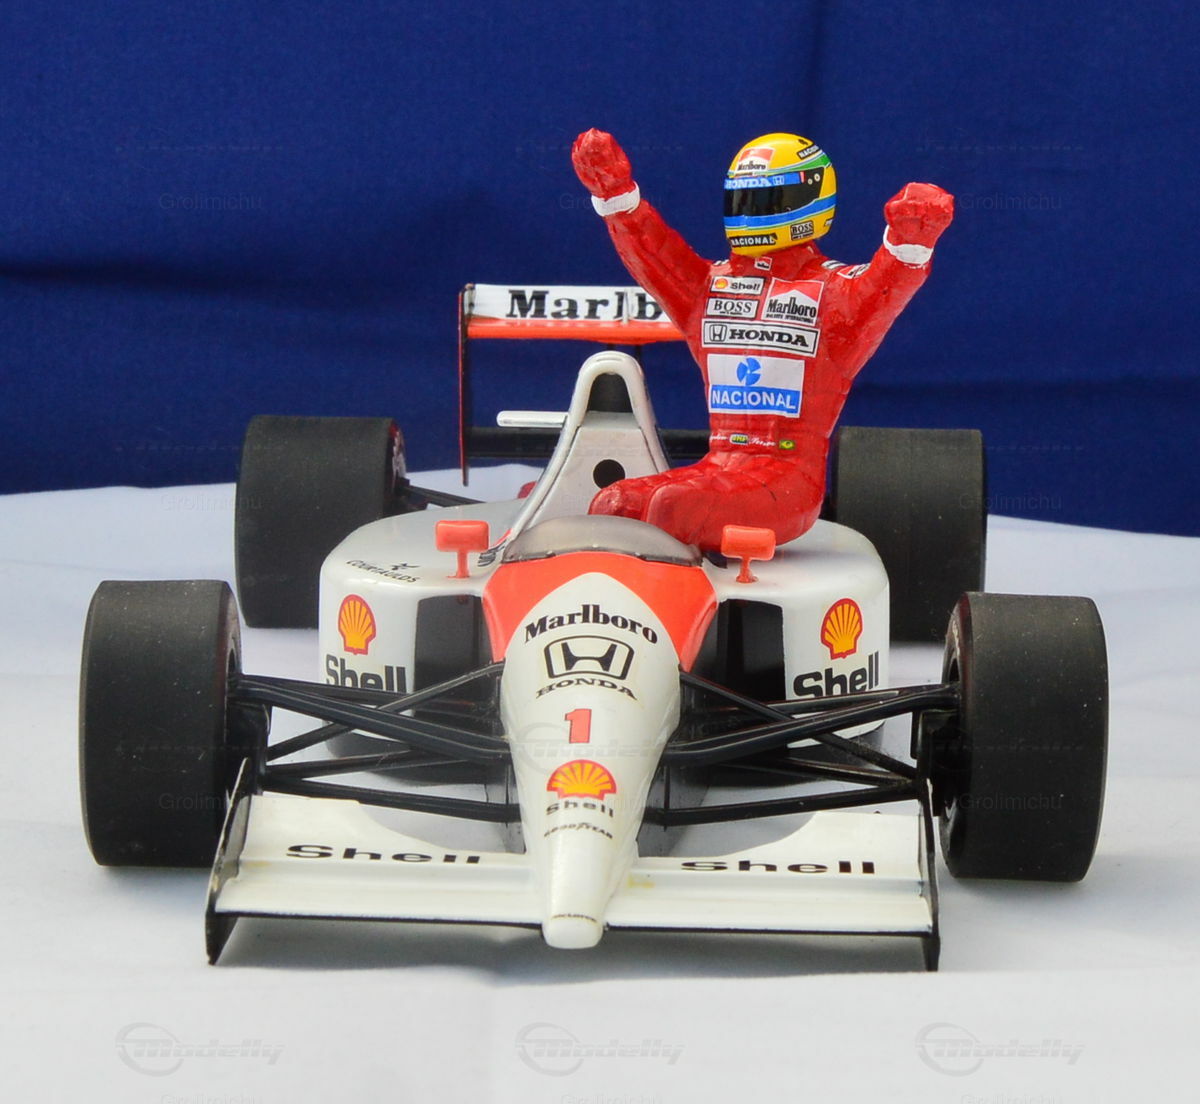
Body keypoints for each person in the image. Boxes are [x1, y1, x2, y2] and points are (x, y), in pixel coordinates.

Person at [572, 128, 954, 551]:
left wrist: (909, 243)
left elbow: (884, 289)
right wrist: (616, 196)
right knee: (614, 503)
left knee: (670, 507)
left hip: (789, 482)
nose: (749, 214)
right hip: (716, 466)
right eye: (742, 200)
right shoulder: (709, 287)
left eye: (764, 200)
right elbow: (654, 256)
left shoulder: (834, 295)